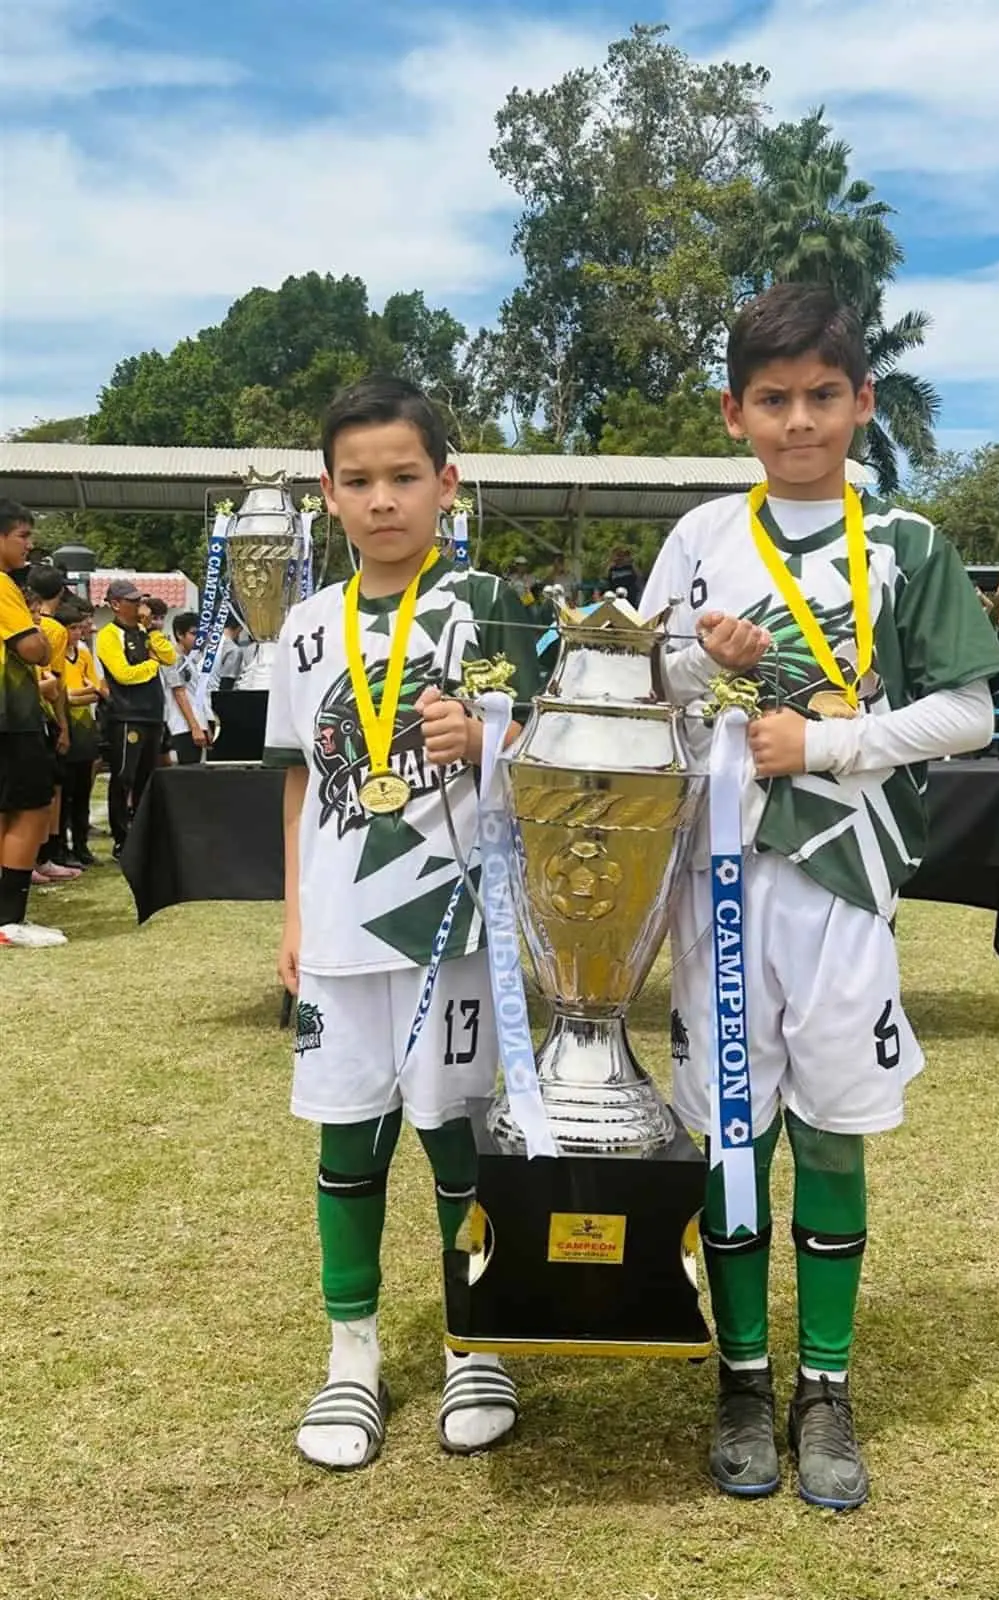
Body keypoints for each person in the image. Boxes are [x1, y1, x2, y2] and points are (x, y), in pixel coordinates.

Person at [639, 284, 999, 1509]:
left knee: (836, 1128)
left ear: (860, 402)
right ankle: (743, 1378)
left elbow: (969, 709)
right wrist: (704, 660)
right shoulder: (699, 534)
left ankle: (826, 1389)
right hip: (721, 876)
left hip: (847, 877)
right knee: (730, 1126)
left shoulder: (904, 537)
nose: (800, 421)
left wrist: (833, 745)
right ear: (735, 411)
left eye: (823, 397)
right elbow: (636, 684)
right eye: (773, 399)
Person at [265, 376, 542, 1473]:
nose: (383, 500)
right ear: (328, 495)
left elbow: (556, 757)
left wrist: (486, 740)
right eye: (358, 480)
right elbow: (295, 782)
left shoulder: (494, 609)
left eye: (404, 476)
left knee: (454, 1135)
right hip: (338, 929)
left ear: (447, 482)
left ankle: (478, 1339)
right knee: (346, 1137)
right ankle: (353, 1353)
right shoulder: (300, 626)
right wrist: (289, 915)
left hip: (455, 925)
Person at [0, 501, 65, 947]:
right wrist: (38, 637)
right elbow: (32, 648)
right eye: (22, 535)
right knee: (30, 809)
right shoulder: (3, 585)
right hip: (12, 715)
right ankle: (10, 920)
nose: (29, 544)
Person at [94, 580, 176, 856]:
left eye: (141, 600)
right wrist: (152, 664)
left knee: (146, 778)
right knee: (123, 777)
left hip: (152, 715)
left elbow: (170, 657)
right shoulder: (108, 635)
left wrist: (152, 632)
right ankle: (122, 838)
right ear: (116, 604)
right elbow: (124, 674)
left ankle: (143, 834)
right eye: (133, 601)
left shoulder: (144, 631)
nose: (140, 607)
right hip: (128, 716)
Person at [27, 566, 77, 877]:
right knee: (41, 793)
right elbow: (55, 684)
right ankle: (37, 858)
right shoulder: (53, 630)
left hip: (29, 714)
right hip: (33, 716)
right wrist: (63, 725)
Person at [58, 599, 105, 865]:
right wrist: (83, 693)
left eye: (78, 627)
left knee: (83, 789)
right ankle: (62, 848)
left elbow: (98, 691)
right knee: (65, 791)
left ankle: (81, 845)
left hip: (85, 728)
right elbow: (65, 696)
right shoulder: (54, 655)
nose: (77, 633)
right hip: (66, 725)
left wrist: (82, 694)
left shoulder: (84, 654)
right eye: (72, 628)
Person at [162, 611, 210, 765]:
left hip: (195, 724)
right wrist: (194, 727)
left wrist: (205, 723)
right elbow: (179, 693)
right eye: (194, 634)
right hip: (182, 727)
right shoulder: (173, 659)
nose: (199, 638)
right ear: (179, 634)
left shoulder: (193, 660)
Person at [216, 615, 247, 692]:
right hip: (218, 699)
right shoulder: (234, 650)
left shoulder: (209, 642)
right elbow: (226, 686)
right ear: (240, 628)